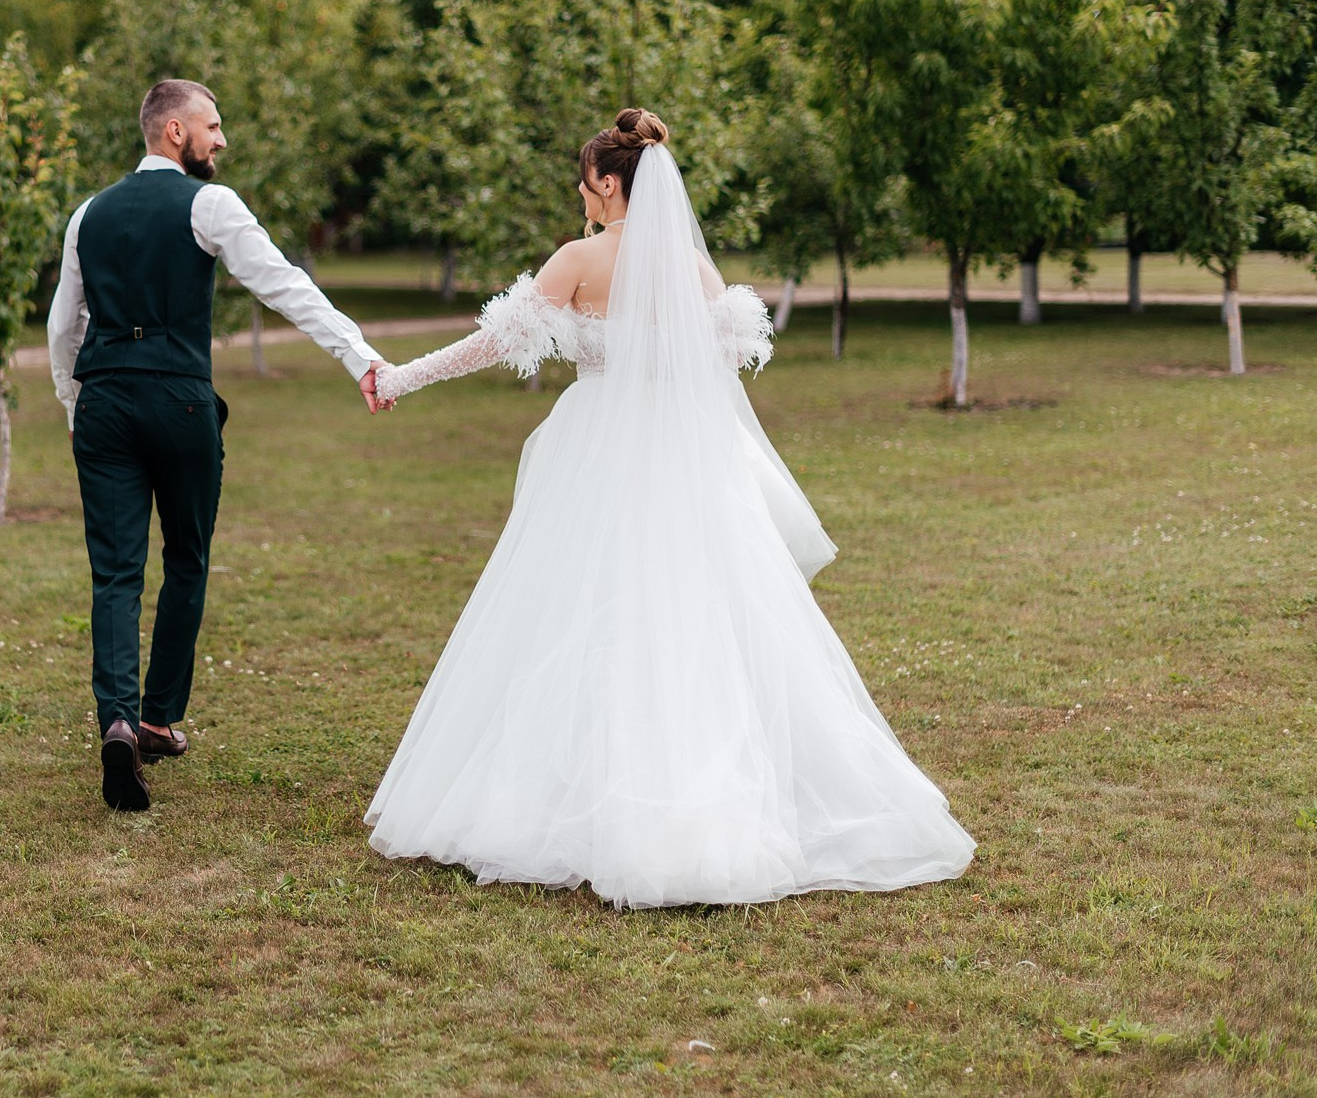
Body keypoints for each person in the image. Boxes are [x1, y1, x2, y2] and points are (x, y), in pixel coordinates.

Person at [364, 108, 975, 907]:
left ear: (610, 185)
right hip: (684, 464)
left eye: (585, 183)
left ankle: (577, 800)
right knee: (692, 620)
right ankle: (709, 800)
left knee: (582, 615)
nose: (580, 195)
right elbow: (728, 354)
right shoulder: (691, 267)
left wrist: (400, 376)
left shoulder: (580, 259)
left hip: (598, 457)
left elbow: (493, 342)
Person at [47, 79, 386, 812]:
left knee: (114, 570)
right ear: (174, 132)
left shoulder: (87, 214)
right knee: (187, 556)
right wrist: (359, 354)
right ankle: (158, 718)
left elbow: (61, 327)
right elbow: (284, 286)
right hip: (178, 398)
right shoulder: (211, 204)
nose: (221, 140)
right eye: (213, 125)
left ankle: (115, 718)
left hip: (104, 400)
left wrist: (76, 404)